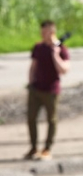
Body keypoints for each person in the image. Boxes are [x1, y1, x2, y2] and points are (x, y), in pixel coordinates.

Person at [25, 20, 70, 161]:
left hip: (51, 90)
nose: (45, 35)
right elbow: (33, 66)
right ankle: (33, 148)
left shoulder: (61, 49)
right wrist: (31, 82)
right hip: (36, 89)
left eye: (48, 32)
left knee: (51, 120)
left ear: (53, 32)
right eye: (43, 32)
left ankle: (47, 148)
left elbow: (64, 70)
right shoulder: (38, 47)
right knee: (31, 118)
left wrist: (55, 54)